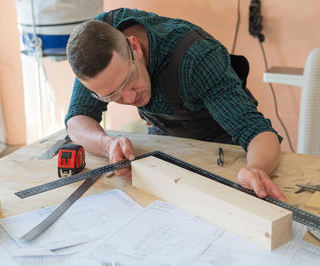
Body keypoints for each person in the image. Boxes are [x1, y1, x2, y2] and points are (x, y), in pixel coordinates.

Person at [65, 8, 286, 201]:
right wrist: (107, 145)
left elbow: (258, 132)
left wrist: (256, 169)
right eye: (113, 95)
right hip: (166, 139)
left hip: (224, 146)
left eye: (129, 81)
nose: (130, 99)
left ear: (135, 47)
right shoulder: (95, 47)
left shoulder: (196, 58)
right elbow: (77, 120)